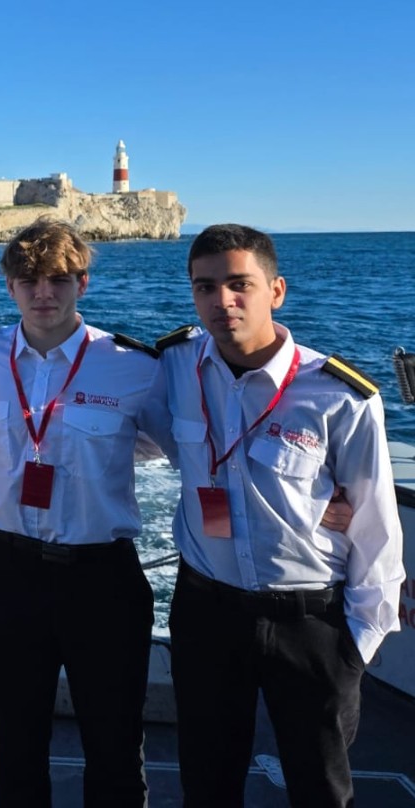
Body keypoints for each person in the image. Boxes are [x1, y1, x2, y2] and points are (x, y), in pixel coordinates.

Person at [157, 223, 404, 808]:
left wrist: (357, 646)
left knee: (320, 788)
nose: (222, 300)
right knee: (207, 784)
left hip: (310, 623)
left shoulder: (340, 396)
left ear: (277, 290)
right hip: (207, 612)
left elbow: (375, 526)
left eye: (239, 284)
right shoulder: (173, 367)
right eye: (205, 287)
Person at [0, 219, 163, 807]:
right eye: (29, 280)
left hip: (102, 577)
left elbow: (187, 446)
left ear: (82, 284)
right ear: (10, 286)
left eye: (59, 280)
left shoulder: (134, 366)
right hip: (8, 570)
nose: (44, 292)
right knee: (16, 741)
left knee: (115, 745)